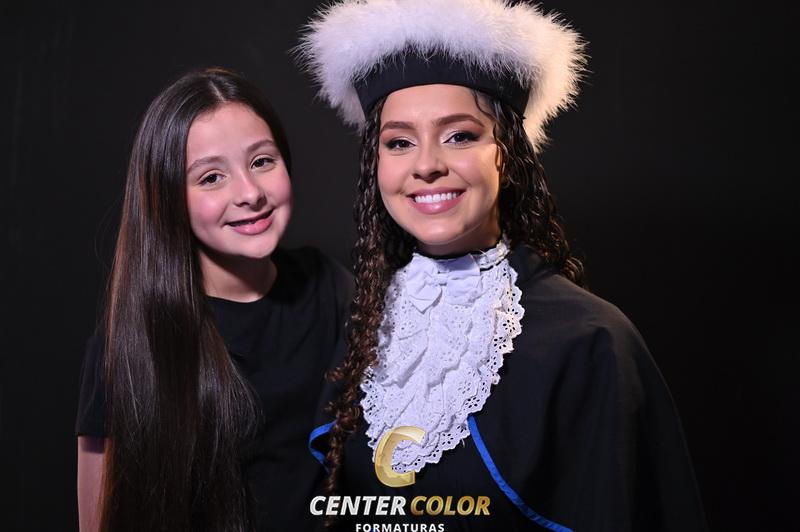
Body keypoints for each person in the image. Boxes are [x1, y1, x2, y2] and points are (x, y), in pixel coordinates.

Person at [298, 1, 708, 530]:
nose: (426, 165)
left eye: (460, 135)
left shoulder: (592, 340)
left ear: (509, 153)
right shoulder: (365, 323)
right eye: (399, 142)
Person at [75, 67, 352, 531]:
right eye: (211, 178)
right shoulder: (130, 343)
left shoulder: (330, 286)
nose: (249, 193)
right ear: (168, 197)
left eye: (261, 161)